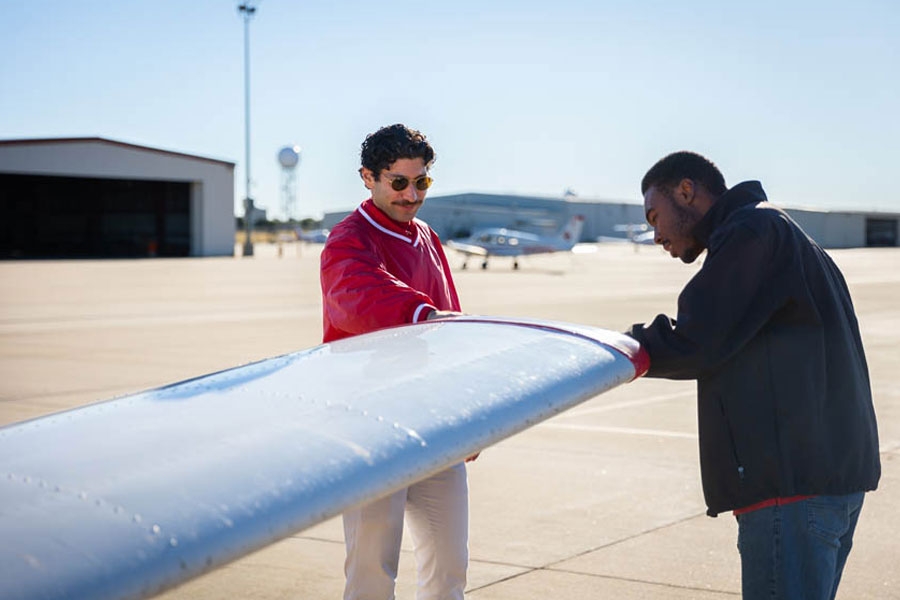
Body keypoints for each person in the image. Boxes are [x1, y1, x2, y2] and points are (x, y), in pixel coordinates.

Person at [627, 151, 880, 599]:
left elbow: (696, 338)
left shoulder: (752, 231)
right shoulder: (782, 233)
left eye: (655, 216)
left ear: (687, 191)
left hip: (792, 493)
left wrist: (618, 346)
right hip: (826, 485)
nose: (655, 235)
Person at [320, 123, 472, 600]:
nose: (411, 195)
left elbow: (452, 319)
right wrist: (423, 314)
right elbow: (356, 296)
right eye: (399, 182)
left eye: (421, 181)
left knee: (449, 566)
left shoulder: (428, 236)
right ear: (368, 177)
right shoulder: (348, 239)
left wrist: (468, 409)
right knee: (371, 571)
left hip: (435, 425)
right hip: (371, 427)